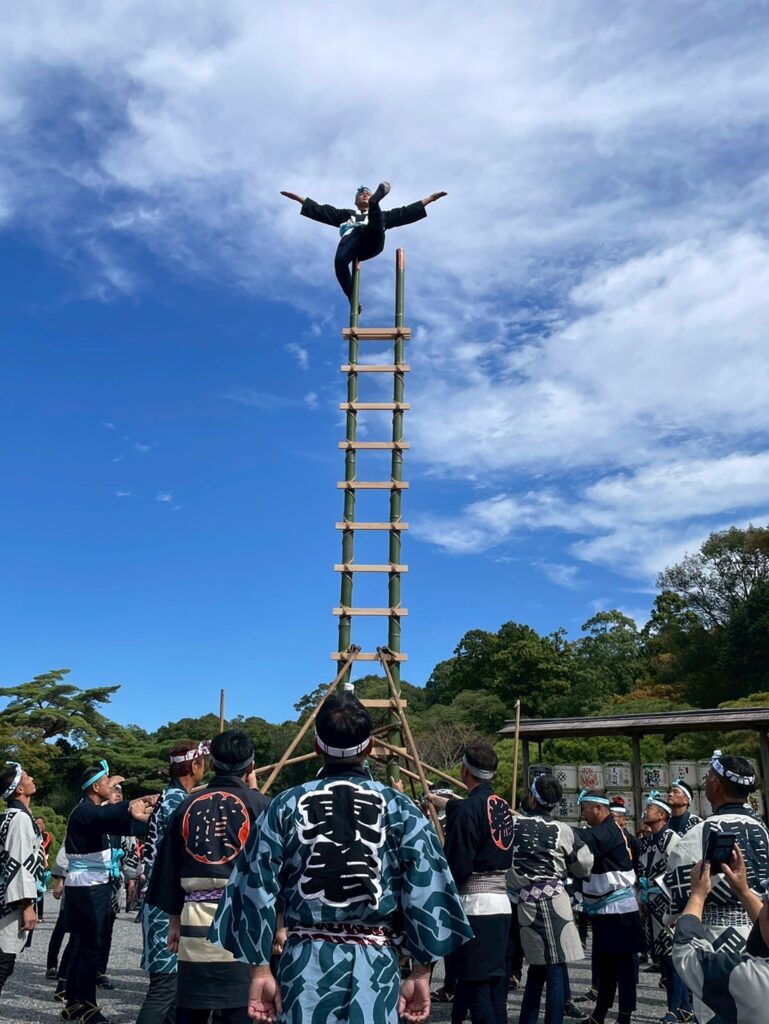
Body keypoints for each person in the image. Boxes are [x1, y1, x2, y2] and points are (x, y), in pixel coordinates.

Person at [210, 692, 473, 1024]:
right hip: (376, 968)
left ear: (316, 746)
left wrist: (260, 970)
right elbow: (426, 888)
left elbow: (255, 887)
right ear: (369, 747)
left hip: (304, 967)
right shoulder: (400, 808)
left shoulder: (285, 805)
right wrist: (421, 972)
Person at [147, 729, 269, 1024]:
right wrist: (278, 926)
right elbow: (274, 871)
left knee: (192, 1009)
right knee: (242, 1009)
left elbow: (168, 868)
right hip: (246, 922)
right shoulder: (263, 806)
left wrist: (173, 921)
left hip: (194, 920)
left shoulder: (186, 806)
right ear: (251, 765)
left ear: (212, 763)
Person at [665, 750, 769, 1024]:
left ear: (716, 785)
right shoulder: (764, 831)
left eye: (709, 777)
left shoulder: (698, 833)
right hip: (760, 933)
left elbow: (679, 899)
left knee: (718, 1008)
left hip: (712, 939)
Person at [60, 759, 157, 1024]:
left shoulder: (88, 810)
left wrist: (144, 807)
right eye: (107, 783)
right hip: (88, 885)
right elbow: (110, 816)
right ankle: (88, 1008)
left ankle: (74, 1002)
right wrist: (136, 805)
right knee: (91, 947)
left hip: (88, 883)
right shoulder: (86, 811)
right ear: (95, 787)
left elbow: (118, 822)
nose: (111, 787)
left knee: (84, 945)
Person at [426, 741, 514, 1024]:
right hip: (501, 905)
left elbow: (458, 865)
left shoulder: (468, 810)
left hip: (475, 907)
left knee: (476, 987)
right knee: (494, 983)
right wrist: (443, 802)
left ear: (465, 771)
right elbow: (470, 810)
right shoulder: (502, 805)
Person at [507, 772, 594, 1024]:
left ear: (532, 798)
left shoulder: (513, 824)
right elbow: (584, 865)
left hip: (526, 903)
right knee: (554, 969)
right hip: (556, 900)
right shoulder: (563, 830)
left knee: (537, 967)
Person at [137, 739, 208, 1024]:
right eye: (203, 763)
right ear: (194, 766)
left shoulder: (169, 798)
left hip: (159, 897)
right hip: (166, 902)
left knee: (176, 991)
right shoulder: (180, 803)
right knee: (164, 987)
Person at [281, 182, 447, 302]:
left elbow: (405, 212)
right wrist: (299, 199)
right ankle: (352, 297)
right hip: (352, 243)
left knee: (377, 220)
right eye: (361, 194)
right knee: (339, 262)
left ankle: (376, 202)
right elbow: (321, 210)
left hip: (372, 241)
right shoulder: (345, 215)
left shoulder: (383, 216)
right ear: (355, 201)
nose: (364, 195)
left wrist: (431, 199)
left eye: (368, 194)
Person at [672, 850, 769, 1022]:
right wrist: (743, 891)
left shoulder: (751, 977)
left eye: (765, 902)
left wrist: (697, 895)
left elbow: (686, 952)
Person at [575, 789, 644, 1024]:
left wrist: (554, 829)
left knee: (623, 967)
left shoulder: (609, 830)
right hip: (606, 909)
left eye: (585, 808)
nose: (583, 813)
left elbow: (582, 838)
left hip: (620, 910)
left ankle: (624, 1016)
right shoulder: (604, 830)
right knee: (605, 965)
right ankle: (600, 1014)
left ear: (598, 809)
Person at [638, 792, 691, 1023]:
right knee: (663, 959)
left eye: (650, 808)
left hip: (668, 903)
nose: (645, 811)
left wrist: (680, 907)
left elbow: (680, 872)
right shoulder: (648, 841)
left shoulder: (671, 838)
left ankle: (673, 1010)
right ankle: (685, 1009)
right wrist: (641, 899)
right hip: (652, 904)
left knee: (672, 959)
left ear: (662, 815)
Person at [0, 762, 44, 997]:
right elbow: (18, 863)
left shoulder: (9, 816)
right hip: (9, 902)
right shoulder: (19, 819)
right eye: (27, 777)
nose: (32, 779)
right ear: (19, 789)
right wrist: (28, 905)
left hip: (6, 895)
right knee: (3, 962)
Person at [34, 816, 52, 922]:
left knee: (40, 890)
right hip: (32, 865)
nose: (38, 825)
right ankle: (33, 914)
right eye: (36, 823)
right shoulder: (31, 834)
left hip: (42, 864)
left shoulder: (46, 835)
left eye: (40, 823)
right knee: (31, 890)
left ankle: (40, 916)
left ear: (43, 824)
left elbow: (44, 847)